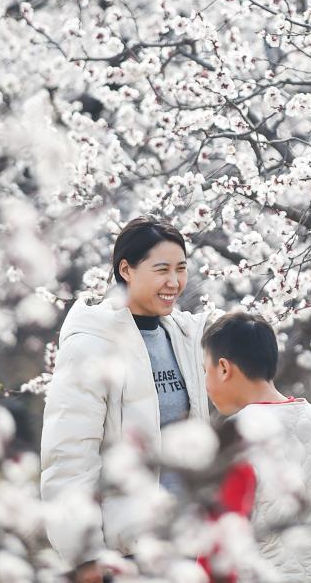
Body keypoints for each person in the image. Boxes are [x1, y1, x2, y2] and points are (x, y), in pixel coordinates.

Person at [40, 218, 211, 583]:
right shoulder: (91, 345)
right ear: (126, 270)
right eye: (161, 270)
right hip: (123, 552)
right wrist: (82, 556)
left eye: (181, 269)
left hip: (183, 542)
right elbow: (68, 456)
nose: (174, 282)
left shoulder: (183, 337)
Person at [201, 311, 311, 583]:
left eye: (204, 370)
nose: (205, 384)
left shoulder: (236, 436)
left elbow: (219, 549)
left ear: (223, 368)